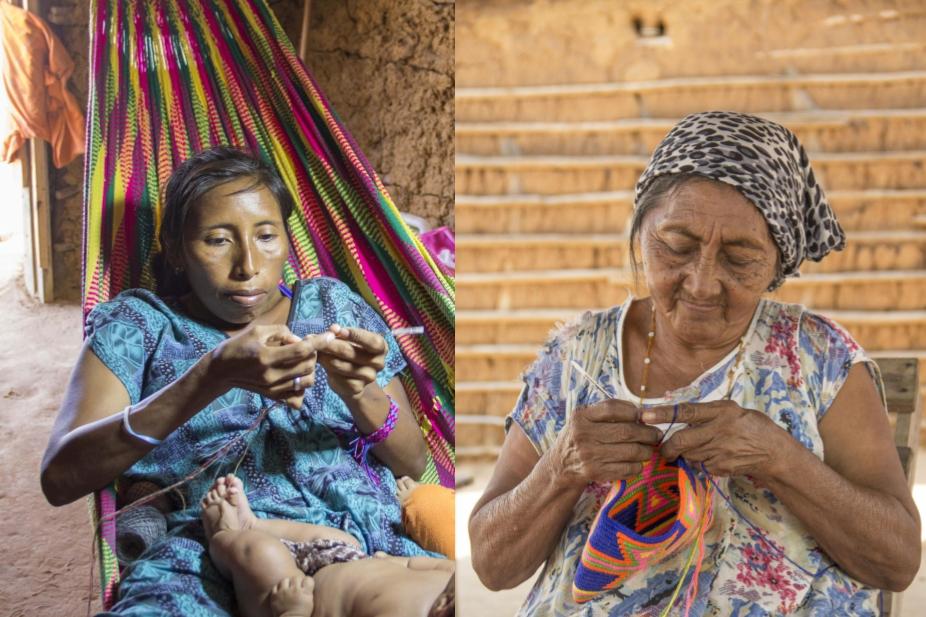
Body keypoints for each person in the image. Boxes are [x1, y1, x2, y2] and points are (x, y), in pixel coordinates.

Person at [468, 111, 921, 616]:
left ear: (777, 261)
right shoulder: (575, 356)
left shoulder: (818, 358)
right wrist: (561, 467)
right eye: (676, 246)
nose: (702, 283)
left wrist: (781, 459)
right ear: (640, 236)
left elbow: (896, 562)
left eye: (740, 256)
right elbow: (492, 565)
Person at [40, 147, 452, 615]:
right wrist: (209, 377)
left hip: (364, 544)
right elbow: (60, 477)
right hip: (207, 554)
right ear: (175, 250)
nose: (249, 265)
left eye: (267, 236)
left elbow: (413, 461)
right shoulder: (140, 326)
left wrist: (361, 392)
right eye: (217, 240)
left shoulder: (332, 308)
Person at [199, 473, 454, 617]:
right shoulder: (456, 576)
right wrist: (390, 562)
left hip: (301, 599)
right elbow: (416, 562)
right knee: (345, 540)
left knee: (263, 555)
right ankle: (252, 524)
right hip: (347, 560)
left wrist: (293, 611)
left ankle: (224, 535)